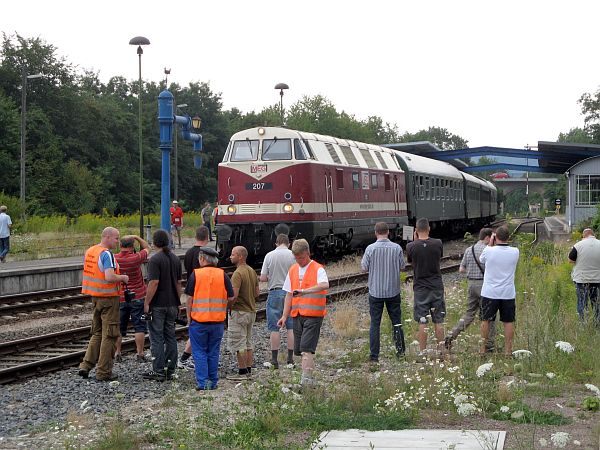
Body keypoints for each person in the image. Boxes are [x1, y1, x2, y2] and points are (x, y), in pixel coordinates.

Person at [79, 227, 129, 381]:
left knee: (98, 333)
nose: (118, 241)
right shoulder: (106, 254)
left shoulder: (91, 251)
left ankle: (85, 366)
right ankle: (103, 372)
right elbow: (109, 276)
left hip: (95, 297)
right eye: (116, 238)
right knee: (110, 334)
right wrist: (123, 278)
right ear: (107, 237)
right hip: (108, 298)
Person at [278, 239, 329, 387]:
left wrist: (304, 291)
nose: (299, 261)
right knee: (299, 350)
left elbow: (325, 284)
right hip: (297, 315)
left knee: (307, 348)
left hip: (313, 315)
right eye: (296, 258)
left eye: (301, 257)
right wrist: (284, 316)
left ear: (307, 253)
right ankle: (307, 377)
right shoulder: (293, 269)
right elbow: (288, 294)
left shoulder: (318, 269)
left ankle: (306, 380)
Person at [184, 246, 234, 391]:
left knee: (199, 352)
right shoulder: (222, 275)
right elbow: (231, 297)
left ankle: (203, 383)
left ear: (202, 258)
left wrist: (189, 316)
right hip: (218, 322)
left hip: (199, 321)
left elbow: (189, 298)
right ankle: (213, 381)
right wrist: (223, 308)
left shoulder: (196, 274)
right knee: (213, 351)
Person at [361, 222, 406, 364]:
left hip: (375, 292)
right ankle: (400, 352)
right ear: (388, 232)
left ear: (376, 233)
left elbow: (364, 268)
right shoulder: (396, 248)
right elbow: (403, 267)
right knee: (396, 323)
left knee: (375, 323)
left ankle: (374, 356)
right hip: (393, 291)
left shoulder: (370, 249)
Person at [445, 228, 497, 352]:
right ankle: (489, 344)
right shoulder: (489, 250)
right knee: (489, 316)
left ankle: (451, 335)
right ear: (487, 237)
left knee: (469, 314)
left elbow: (461, 269)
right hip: (484, 285)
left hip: (471, 284)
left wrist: (472, 271)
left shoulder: (469, 249)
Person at [143, 229, 183, 381]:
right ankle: (170, 369)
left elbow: (153, 283)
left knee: (156, 337)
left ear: (154, 243)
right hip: (172, 303)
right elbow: (179, 283)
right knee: (170, 337)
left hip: (158, 305)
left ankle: (158, 370)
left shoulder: (155, 260)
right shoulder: (175, 259)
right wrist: (178, 301)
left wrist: (147, 302)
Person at [406, 218, 445, 357]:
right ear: (429, 228)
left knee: (422, 320)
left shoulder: (411, 246)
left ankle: (422, 352)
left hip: (420, 287)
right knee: (438, 319)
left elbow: (410, 261)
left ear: (416, 230)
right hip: (436, 285)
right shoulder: (438, 243)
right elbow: (439, 257)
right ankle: (441, 351)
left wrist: (414, 241)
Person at [479, 225, 520, 356]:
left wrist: (490, 244)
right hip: (507, 293)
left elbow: (481, 259)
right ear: (509, 237)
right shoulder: (515, 251)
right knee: (508, 321)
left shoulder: (488, 251)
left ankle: (483, 349)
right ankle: (508, 350)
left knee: (486, 320)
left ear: (495, 237)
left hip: (489, 292)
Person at [260, 234, 296, 368]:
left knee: (274, 328)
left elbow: (263, 278)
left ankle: (274, 360)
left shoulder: (269, 255)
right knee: (291, 327)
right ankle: (290, 360)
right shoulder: (293, 255)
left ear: (276, 243)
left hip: (274, 292)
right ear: (289, 243)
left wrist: (271, 276)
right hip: (291, 293)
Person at [114, 235, 150, 362]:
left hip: (120, 297)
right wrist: (137, 237)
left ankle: (117, 353)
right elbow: (147, 248)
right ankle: (140, 353)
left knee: (119, 327)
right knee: (139, 326)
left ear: (120, 245)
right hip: (137, 297)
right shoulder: (136, 258)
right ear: (131, 247)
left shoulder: (114, 258)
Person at [178, 225, 210, 370]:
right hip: (204, 295)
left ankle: (192, 357)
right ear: (207, 237)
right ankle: (185, 358)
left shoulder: (189, 252)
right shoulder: (206, 253)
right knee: (199, 329)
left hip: (194, 293)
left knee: (197, 328)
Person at [226, 246, 259, 381]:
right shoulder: (251, 271)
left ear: (240, 256)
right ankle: (248, 370)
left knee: (239, 343)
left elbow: (233, 296)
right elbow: (257, 293)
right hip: (251, 311)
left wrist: (228, 307)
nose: (230, 256)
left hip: (239, 312)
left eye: (233, 254)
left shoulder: (238, 273)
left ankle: (242, 372)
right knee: (248, 342)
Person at [568, 228, 600, 324]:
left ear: (583, 235)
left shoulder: (578, 245)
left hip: (582, 279)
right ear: (593, 234)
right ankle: (597, 323)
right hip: (597, 279)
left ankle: (583, 324)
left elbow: (571, 260)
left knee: (582, 303)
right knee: (596, 303)